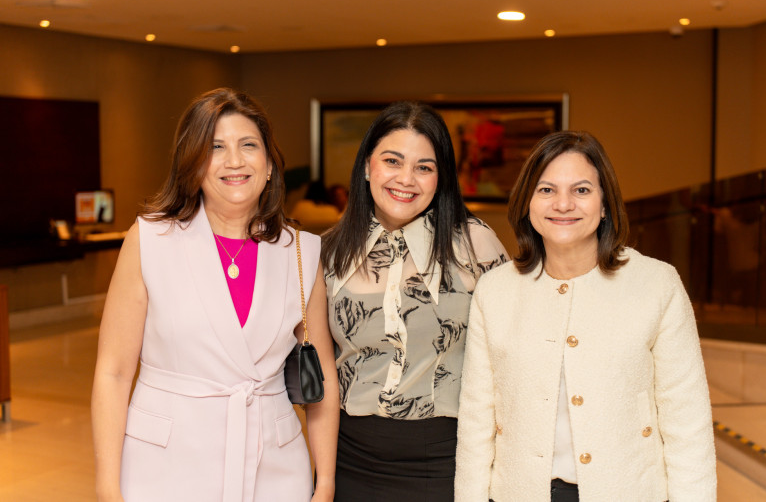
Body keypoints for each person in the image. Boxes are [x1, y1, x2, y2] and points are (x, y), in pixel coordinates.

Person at [91, 88, 339, 502]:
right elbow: (113, 372)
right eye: (215, 147)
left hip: (274, 468)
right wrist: (106, 487)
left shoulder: (301, 250)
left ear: (269, 165)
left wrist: (325, 482)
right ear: (193, 164)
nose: (234, 161)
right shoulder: (150, 240)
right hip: (165, 465)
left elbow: (324, 374)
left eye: (248, 146)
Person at [454, 131, 716, 501]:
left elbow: (687, 423)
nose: (563, 204)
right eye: (546, 190)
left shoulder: (657, 285)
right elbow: (477, 420)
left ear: (605, 204)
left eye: (581, 190)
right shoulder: (495, 291)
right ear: (528, 202)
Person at [321, 101, 508, 501]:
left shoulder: (476, 245)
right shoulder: (331, 251)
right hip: (348, 460)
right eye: (392, 161)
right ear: (368, 164)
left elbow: (512, 358)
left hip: (444, 461)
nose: (406, 179)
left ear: (440, 178)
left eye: (424, 167)